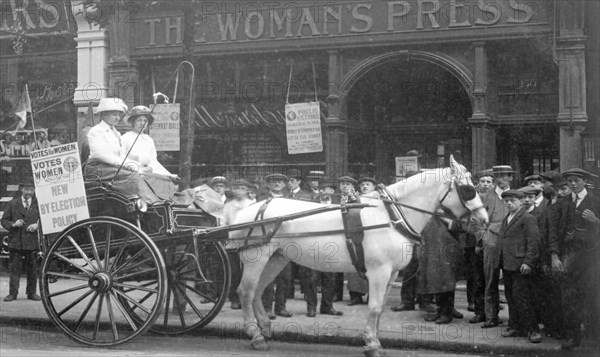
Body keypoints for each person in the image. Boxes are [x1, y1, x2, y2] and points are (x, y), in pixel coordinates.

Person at [84, 98, 195, 206]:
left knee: (152, 178)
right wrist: (130, 166)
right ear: (103, 114)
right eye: (114, 114)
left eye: (119, 114)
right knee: (134, 178)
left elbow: (123, 156)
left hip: (112, 168)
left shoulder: (116, 133)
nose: (117, 117)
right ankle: (152, 203)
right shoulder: (96, 131)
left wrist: (136, 167)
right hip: (98, 169)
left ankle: (163, 203)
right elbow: (100, 155)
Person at [550, 169, 600, 350]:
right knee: (569, 297)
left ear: (584, 181)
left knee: (592, 294)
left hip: (592, 256)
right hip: (569, 256)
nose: (572, 184)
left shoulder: (595, 201)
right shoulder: (562, 204)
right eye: (569, 181)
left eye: (576, 181)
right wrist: (555, 256)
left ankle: (593, 335)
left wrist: (596, 221)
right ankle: (572, 336)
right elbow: (554, 231)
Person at [498, 189, 542, 343]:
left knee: (522, 298)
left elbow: (534, 242)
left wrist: (528, 262)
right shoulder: (507, 218)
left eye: (513, 201)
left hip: (520, 265)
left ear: (521, 201)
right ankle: (515, 326)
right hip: (508, 265)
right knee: (511, 297)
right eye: (507, 201)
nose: (509, 203)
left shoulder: (527, 218)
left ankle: (533, 330)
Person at [474, 165, 514, 328]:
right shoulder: (485, 196)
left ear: (510, 177)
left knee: (513, 281)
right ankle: (491, 315)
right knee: (490, 279)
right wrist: (482, 239)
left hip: (512, 242)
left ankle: (515, 319)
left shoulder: (516, 196)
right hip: (490, 239)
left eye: (504, 176)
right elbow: (476, 221)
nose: (500, 179)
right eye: (497, 175)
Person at [301, 177, 343, 317]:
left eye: (330, 190)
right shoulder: (310, 204)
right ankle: (311, 307)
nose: (327, 192)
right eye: (323, 189)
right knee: (312, 278)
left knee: (330, 278)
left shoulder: (339, 204)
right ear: (319, 191)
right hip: (313, 244)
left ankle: (327, 306)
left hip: (332, 245)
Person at [420, 215, 465, 324]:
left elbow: (463, 226)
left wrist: (446, 219)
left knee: (447, 279)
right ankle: (441, 311)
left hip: (448, 248)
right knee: (437, 280)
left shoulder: (451, 207)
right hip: (433, 247)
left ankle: (447, 313)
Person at [260, 173, 293, 319]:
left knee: (284, 277)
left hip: (286, 242)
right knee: (268, 277)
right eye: (274, 181)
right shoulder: (262, 200)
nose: (277, 184)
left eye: (280, 181)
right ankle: (267, 308)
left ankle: (281, 307)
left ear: (285, 184)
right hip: (268, 241)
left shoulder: (290, 200)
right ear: (268, 184)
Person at [2, 181, 41, 302]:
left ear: (34, 191)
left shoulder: (38, 204)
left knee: (32, 270)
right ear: (21, 190)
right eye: (27, 189)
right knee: (15, 270)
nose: (29, 192)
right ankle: (12, 294)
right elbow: (3, 220)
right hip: (16, 242)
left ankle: (32, 293)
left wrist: (37, 225)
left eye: (31, 190)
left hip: (32, 242)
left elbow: (44, 219)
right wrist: (13, 224)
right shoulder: (12, 203)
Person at [222, 179, 256, 310]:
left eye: (242, 188)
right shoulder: (229, 205)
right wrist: (226, 234)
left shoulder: (252, 204)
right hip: (232, 241)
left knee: (249, 272)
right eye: (237, 188)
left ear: (248, 190)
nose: (239, 191)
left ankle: (249, 299)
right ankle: (234, 299)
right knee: (235, 272)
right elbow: (223, 221)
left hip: (250, 241)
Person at [121, 105, 178, 179]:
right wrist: (139, 169)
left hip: (150, 173)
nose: (142, 123)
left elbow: (153, 160)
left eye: (145, 121)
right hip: (132, 175)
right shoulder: (125, 138)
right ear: (133, 122)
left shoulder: (149, 140)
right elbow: (122, 159)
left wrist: (150, 167)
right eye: (139, 120)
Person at [346, 176, 376, 306]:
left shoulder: (377, 199)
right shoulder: (354, 197)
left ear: (373, 187)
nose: (364, 186)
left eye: (367, 184)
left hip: (372, 235)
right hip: (356, 233)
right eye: (362, 184)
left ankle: (372, 296)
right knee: (355, 264)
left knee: (372, 265)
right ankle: (355, 296)